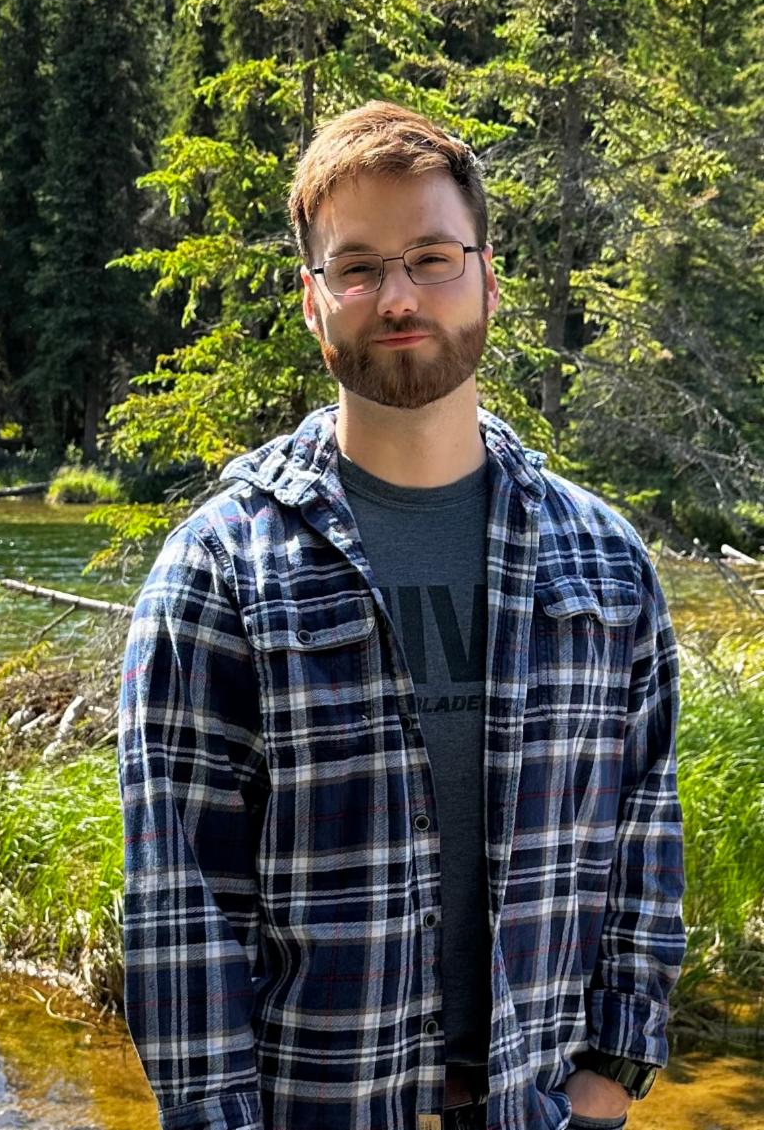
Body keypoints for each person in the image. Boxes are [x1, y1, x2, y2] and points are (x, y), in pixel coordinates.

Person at [117, 102, 685, 1130]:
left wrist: (608, 1081)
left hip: (538, 1108)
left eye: (431, 255)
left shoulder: (606, 562)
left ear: (487, 279)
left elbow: (645, 831)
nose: (397, 295)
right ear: (312, 300)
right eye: (358, 265)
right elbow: (183, 907)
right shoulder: (221, 568)